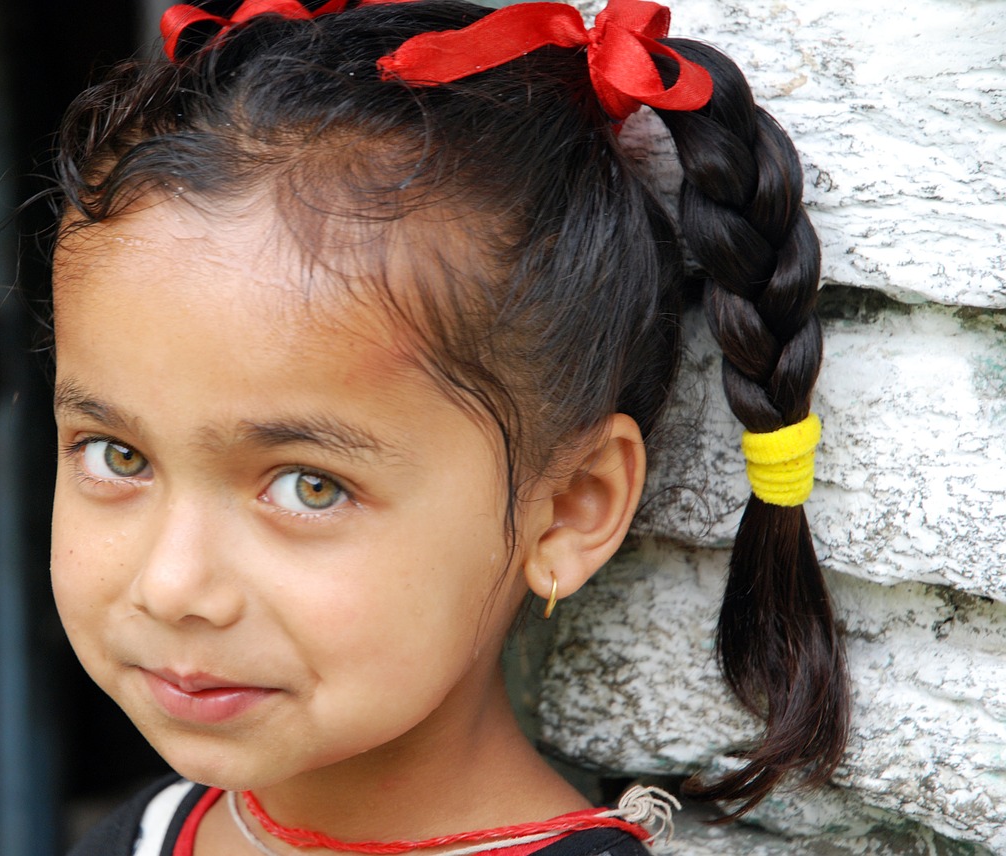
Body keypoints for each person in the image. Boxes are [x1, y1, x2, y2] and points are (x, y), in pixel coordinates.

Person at [46, 0, 850, 853]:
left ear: (571, 505)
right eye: (118, 455)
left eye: (309, 486)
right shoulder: (140, 837)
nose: (171, 587)